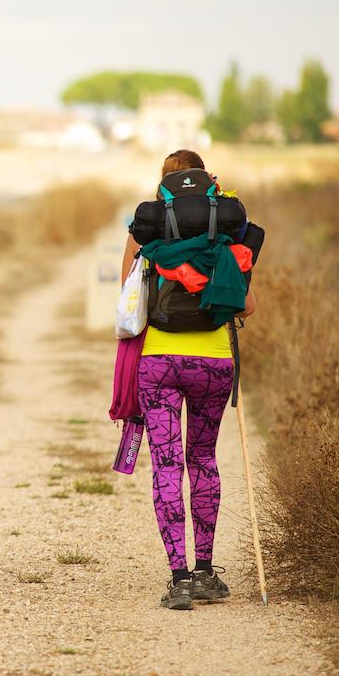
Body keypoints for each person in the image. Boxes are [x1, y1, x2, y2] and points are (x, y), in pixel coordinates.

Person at [121, 149, 257, 611]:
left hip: (159, 362)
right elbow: (247, 306)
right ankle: (205, 573)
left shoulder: (147, 229)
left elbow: (128, 302)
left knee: (165, 465)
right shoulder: (226, 235)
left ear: (164, 187)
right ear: (209, 185)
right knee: (202, 459)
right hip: (213, 363)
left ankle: (177, 578)